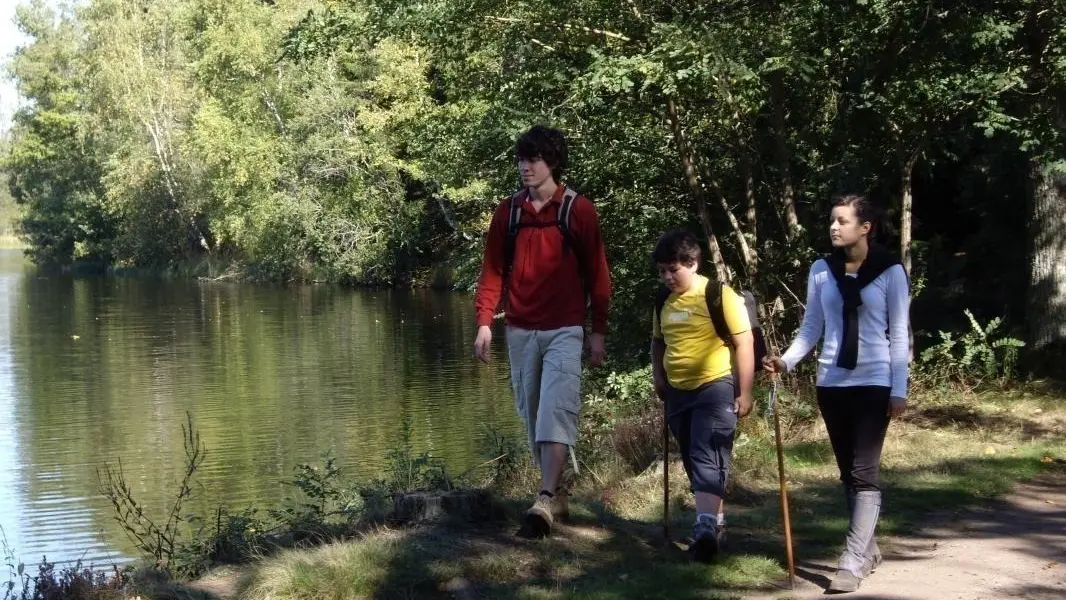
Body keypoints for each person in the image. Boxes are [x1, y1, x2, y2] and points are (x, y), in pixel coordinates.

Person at [763, 193, 910, 593]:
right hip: (831, 383)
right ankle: (869, 548)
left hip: (874, 382)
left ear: (866, 227)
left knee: (864, 472)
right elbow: (811, 328)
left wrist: (900, 390)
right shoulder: (821, 270)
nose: (833, 227)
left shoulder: (890, 270)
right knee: (848, 472)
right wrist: (786, 361)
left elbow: (899, 335)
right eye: (832, 220)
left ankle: (851, 559)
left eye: (842, 221)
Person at [473, 125, 611, 539]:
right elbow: (492, 271)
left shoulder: (578, 210)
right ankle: (558, 490)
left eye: (533, 159)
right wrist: (484, 322)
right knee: (532, 413)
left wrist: (597, 331)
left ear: (552, 162)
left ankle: (546, 497)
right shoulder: (509, 212)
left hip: (565, 328)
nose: (525, 166)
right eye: (521, 159)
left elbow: (598, 276)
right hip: (519, 329)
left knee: (555, 407)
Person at [650, 230, 755, 562]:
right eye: (662, 271)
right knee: (695, 458)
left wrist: (746, 392)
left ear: (692, 263)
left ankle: (705, 525)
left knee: (707, 451)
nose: (667, 277)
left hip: (715, 385)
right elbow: (657, 343)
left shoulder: (719, 295)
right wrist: (658, 377)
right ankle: (715, 522)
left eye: (673, 270)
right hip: (677, 391)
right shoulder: (662, 301)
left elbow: (744, 342)